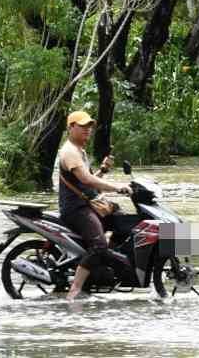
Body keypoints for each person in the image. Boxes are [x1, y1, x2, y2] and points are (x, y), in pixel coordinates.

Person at [57, 111, 131, 301]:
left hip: (87, 204)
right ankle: (75, 290)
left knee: (123, 223)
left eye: (89, 126)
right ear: (71, 127)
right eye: (82, 126)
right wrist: (117, 187)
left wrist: (103, 170)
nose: (87, 130)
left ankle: (103, 263)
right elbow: (86, 180)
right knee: (99, 245)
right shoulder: (69, 152)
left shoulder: (80, 151)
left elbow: (87, 182)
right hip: (76, 209)